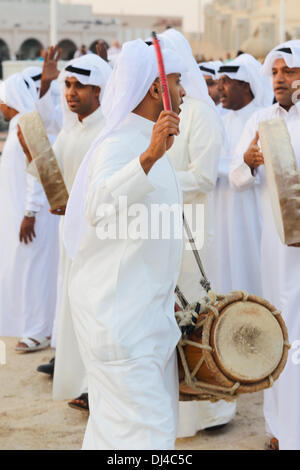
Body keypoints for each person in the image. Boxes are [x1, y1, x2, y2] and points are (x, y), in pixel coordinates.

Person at [63, 39, 186, 450]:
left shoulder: (149, 143)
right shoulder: (121, 145)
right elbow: (98, 207)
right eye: (177, 82)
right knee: (145, 441)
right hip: (122, 326)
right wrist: (149, 156)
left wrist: (166, 291)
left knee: (120, 438)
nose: (184, 92)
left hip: (147, 321)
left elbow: (148, 232)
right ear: (157, 89)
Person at [23, 53, 112, 409]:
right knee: (73, 305)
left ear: (99, 90)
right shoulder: (72, 128)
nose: (71, 93)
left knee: (97, 309)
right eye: (68, 86)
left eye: (79, 86)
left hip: (100, 236)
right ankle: (76, 375)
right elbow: (50, 169)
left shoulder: (108, 130)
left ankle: (97, 385)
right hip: (71, 236)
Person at [159, 28, 237, 437]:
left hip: (194, 231)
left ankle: (210, 411)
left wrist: (157, 176)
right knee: (167, 317)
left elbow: (204, 178)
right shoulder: (157, 113)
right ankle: (176, 407)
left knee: (197, 316)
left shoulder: (201, 113)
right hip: (160, 229)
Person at [229, 40, 300, 451]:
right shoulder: (260, 118)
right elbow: (237, 175)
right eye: (274, 72)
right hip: (276, 248)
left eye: (288, 71)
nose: (279, 79)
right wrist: (251, 160)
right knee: (282, 330)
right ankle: (280, 428)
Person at [0, 73, 59, 351]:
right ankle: (30, 325)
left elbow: (40, 173)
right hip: (19, 212)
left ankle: (40, 330)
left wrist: (31, 212)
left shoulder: (29, 124)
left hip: (33, 216)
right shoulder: (17, 125)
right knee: (24, 270)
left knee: (36, 270)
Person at [208, 54, 273, 296]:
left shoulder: (264, 119)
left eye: (226, 81)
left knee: (253, 267)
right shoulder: (219, 120)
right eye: (219, 80)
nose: (219, 88)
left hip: (252, 209)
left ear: (245, 85)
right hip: (222, 209)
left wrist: (223, 166)